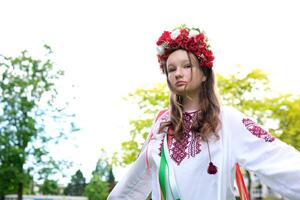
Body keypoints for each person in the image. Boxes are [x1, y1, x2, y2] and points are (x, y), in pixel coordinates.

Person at [107, 25, 300, 200]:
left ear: (204, 73)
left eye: (187, 66)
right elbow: (133, 183)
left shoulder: (228, 120)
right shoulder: (161, 125)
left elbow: (280, 162)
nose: (178, 73)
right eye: (171, 69)